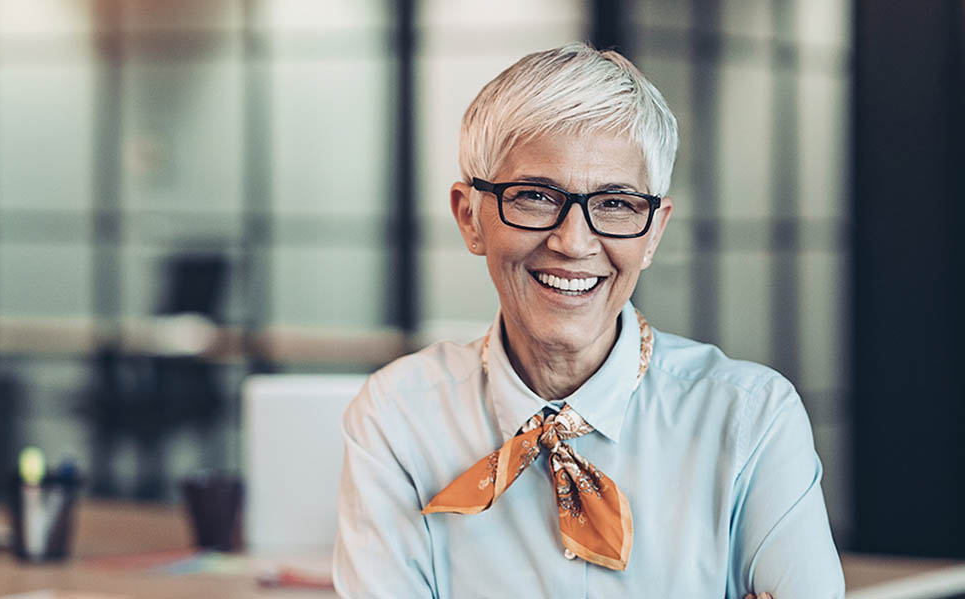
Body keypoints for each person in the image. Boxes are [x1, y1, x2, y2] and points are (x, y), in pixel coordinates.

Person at [333, 43, 844, 598]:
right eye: (533, 196)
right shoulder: (398, 416)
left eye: (617, 205)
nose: (573, 242)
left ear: (653, 233)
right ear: (469, 217)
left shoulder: (751, 418)